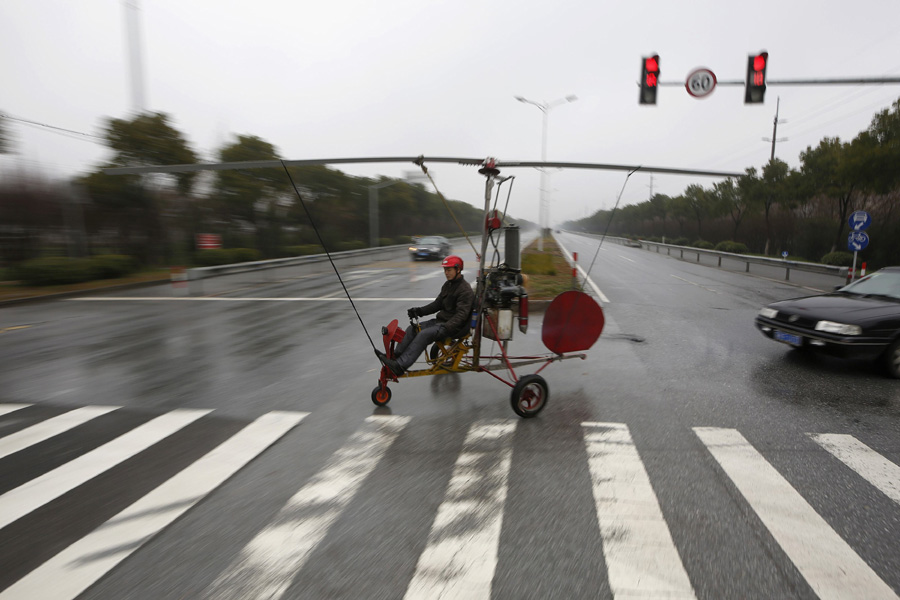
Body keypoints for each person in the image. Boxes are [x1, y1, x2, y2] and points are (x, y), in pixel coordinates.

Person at [376, 255, 474, 376]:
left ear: (458, 270)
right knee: (413, 329)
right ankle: (395, 357)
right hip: (441, 322)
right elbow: (437, 304)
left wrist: (447, 327)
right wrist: (419, 311)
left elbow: (461, 316)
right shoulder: (448, 285)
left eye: (449, 270)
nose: (446, 273)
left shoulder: (464, 290)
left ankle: (400, 366)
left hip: (454, 327)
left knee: (424, 334)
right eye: (445, 270)